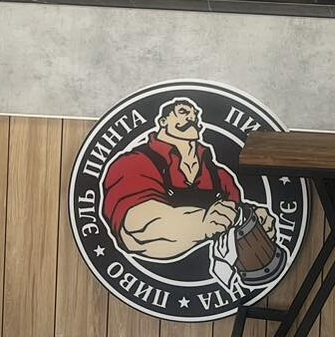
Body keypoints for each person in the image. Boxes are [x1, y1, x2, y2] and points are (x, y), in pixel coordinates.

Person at [101, 97, 276, 262]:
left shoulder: (220, 175)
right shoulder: (134, 162)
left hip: (208, 277)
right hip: (161, 275)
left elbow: (233, 215)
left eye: (195, 115)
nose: (192, 118)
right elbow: (137, 227)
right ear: (163, 121)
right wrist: (202, 224)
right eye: (183, 112)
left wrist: (253, 219)